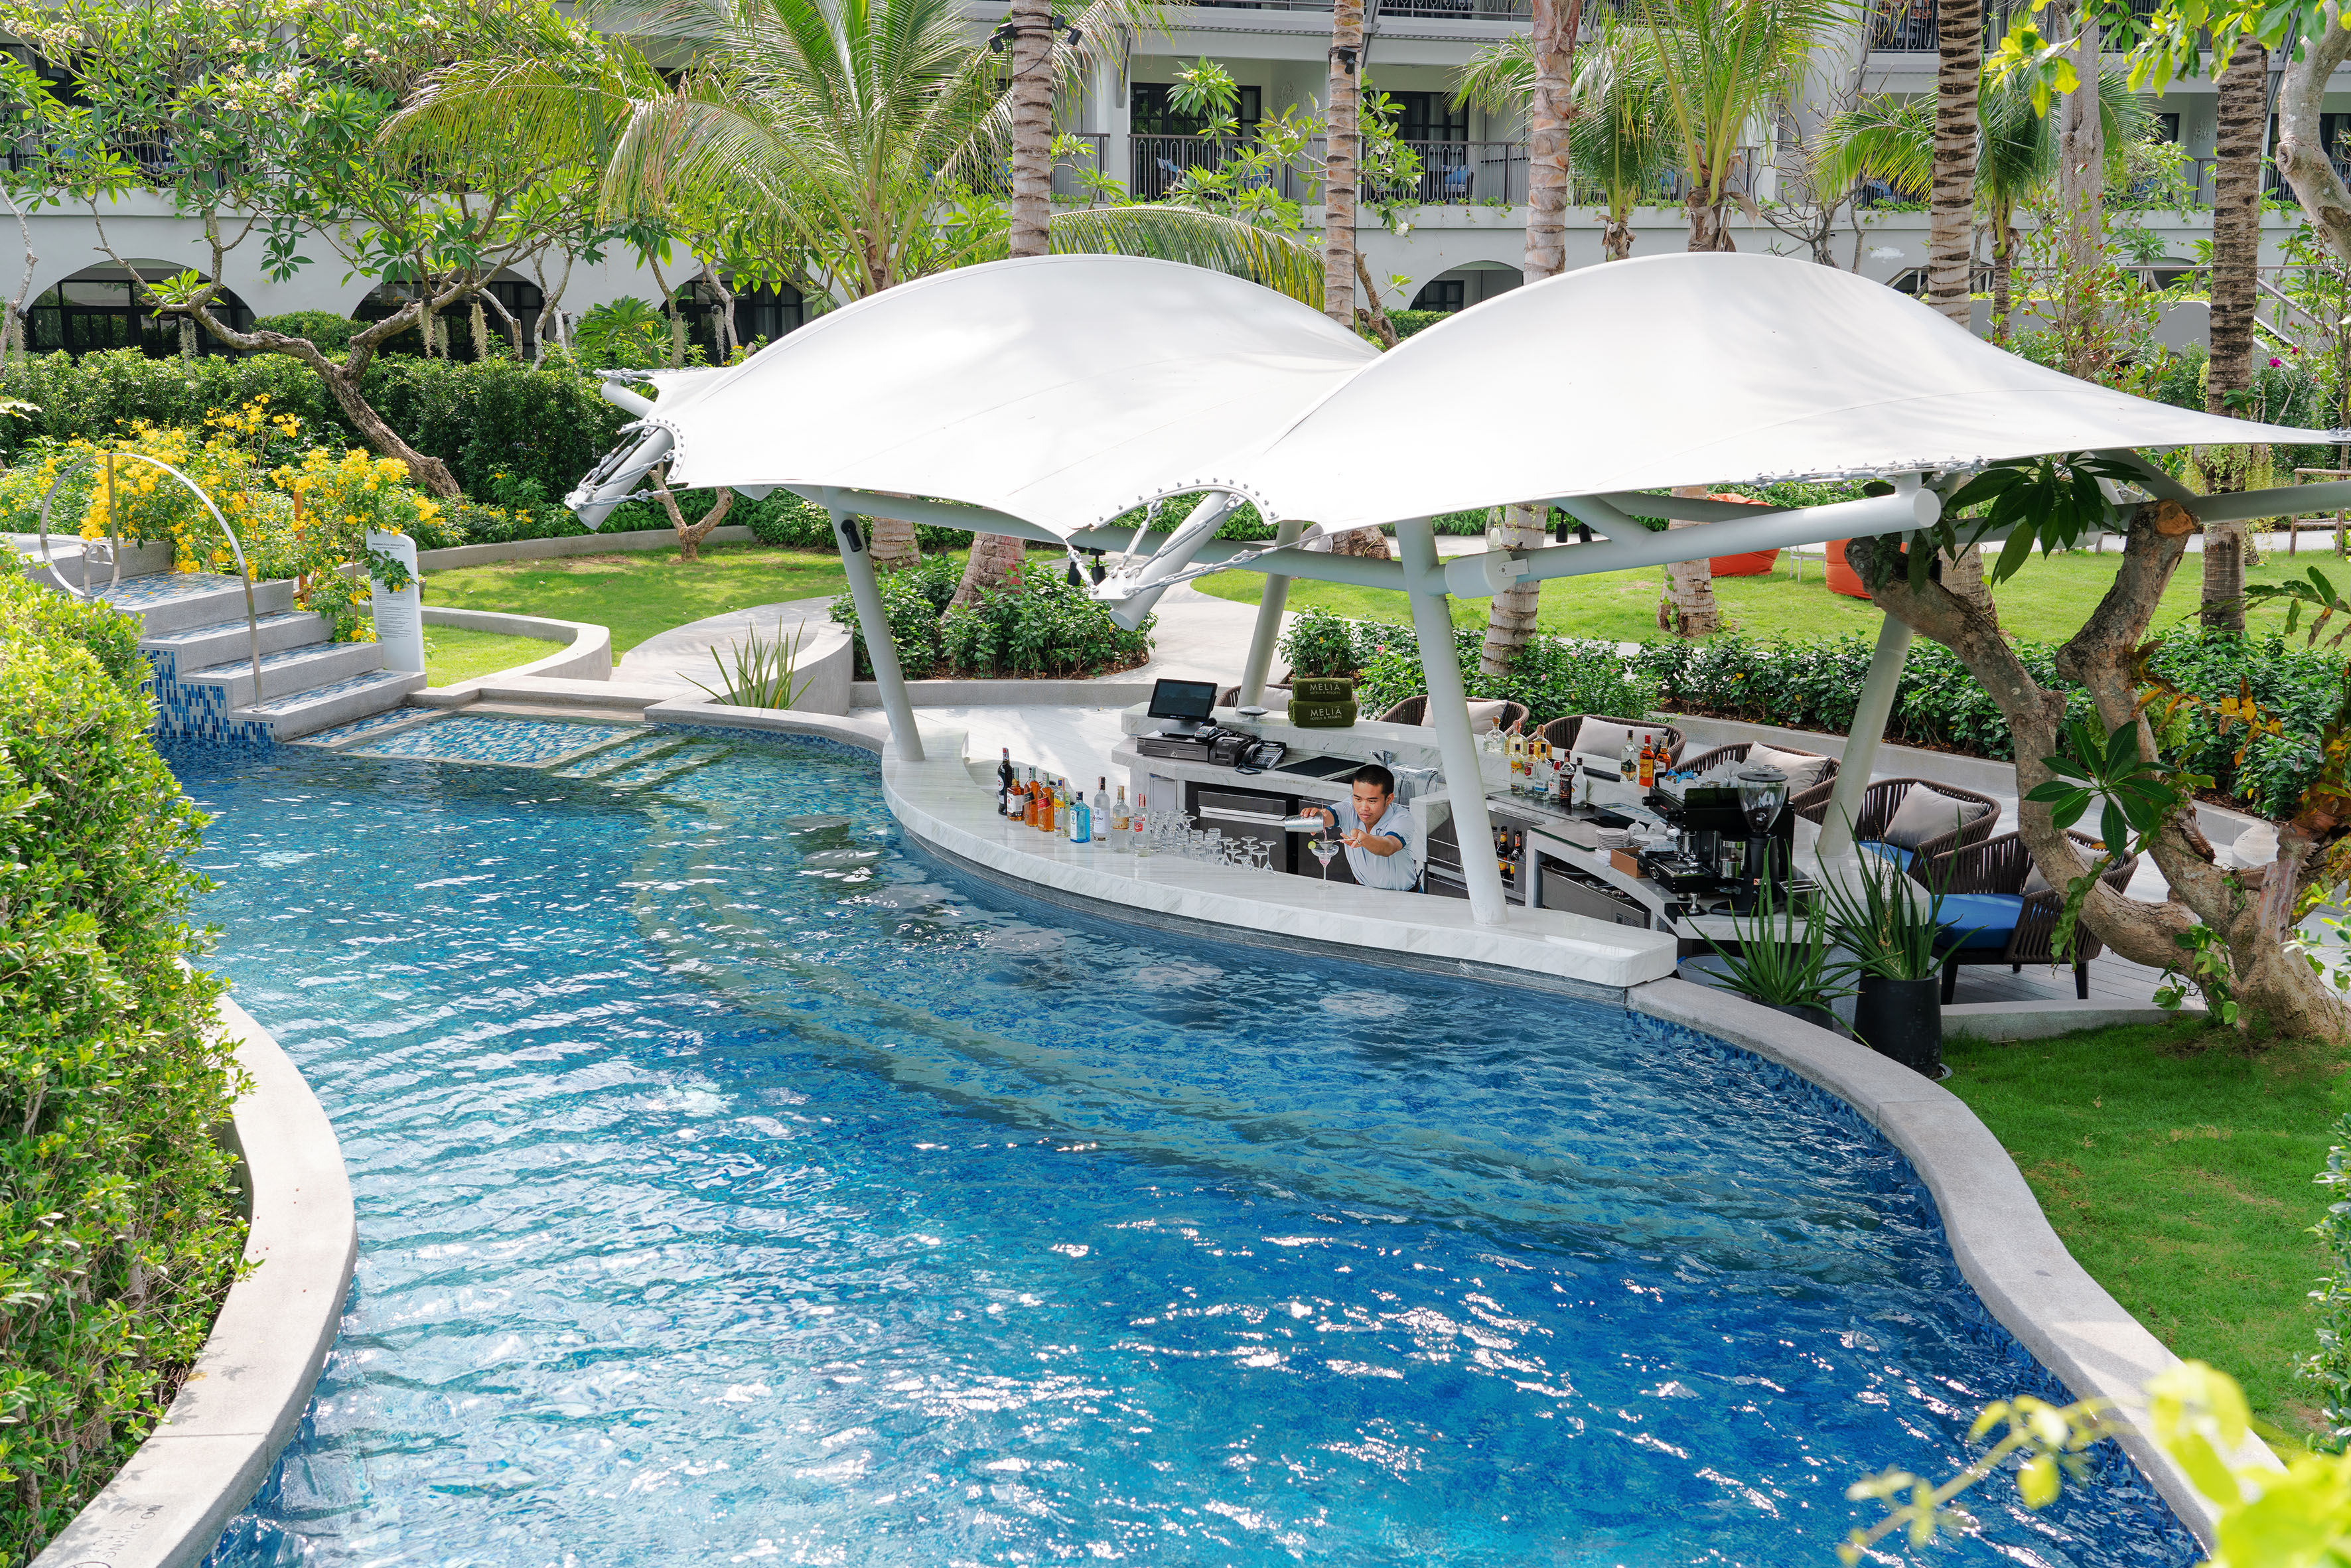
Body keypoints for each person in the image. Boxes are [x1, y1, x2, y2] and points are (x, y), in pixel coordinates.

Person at [1308, 764, 1423, 892]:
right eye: (1358, 799)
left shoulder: (1402, 818)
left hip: (1406, 898)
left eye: (1372, 801)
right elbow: (1329, 815)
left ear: (1389, 799)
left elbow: (1388, 847)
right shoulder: (1350, 807)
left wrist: (1364, 840)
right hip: (1363, 895)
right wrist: (1317, 817)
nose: (1363, 808)